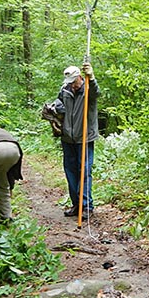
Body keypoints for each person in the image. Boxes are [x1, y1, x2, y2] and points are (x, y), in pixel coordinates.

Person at [57, 62, 100, 220]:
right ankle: (76, 204)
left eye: (74, 83)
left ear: (80, 78)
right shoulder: (64, 90)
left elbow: (96, 92)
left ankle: (87, 206)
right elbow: (59, 105)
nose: (72, 86)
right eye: (70, 84)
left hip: (85, 138)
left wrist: (92, 77)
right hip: (68, 138)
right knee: (71, 172)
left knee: (84, 172)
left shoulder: (88, 90)